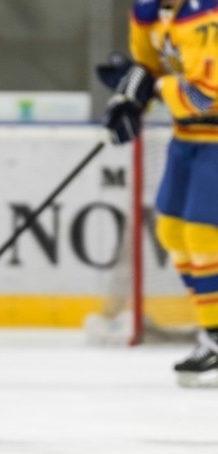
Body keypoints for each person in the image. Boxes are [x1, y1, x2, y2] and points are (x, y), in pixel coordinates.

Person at [101, 0, 218, 387]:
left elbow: (206, 97)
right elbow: (149, 67)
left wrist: (156, 87)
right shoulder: (149, 11)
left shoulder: (209, 16)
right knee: (170, 230)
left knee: (204, 235)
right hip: (187, 138)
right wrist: (128, 99)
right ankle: (213, 333)